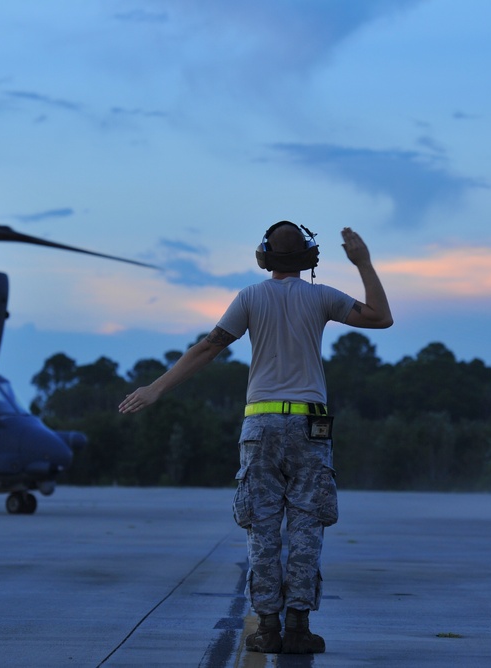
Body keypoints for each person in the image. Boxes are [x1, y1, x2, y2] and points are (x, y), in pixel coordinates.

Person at [118, 222, 393, 654]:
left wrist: (156, 388)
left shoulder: (250, 297)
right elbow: (381, 317)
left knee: (262, 530)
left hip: (260, 427)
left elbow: (208, 347)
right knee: (307, 527)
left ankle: (267, 626)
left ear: (265, 257)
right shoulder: (322, 297)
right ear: (309, 258)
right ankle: (299, 627)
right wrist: (363, 263)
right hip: (309, 427)